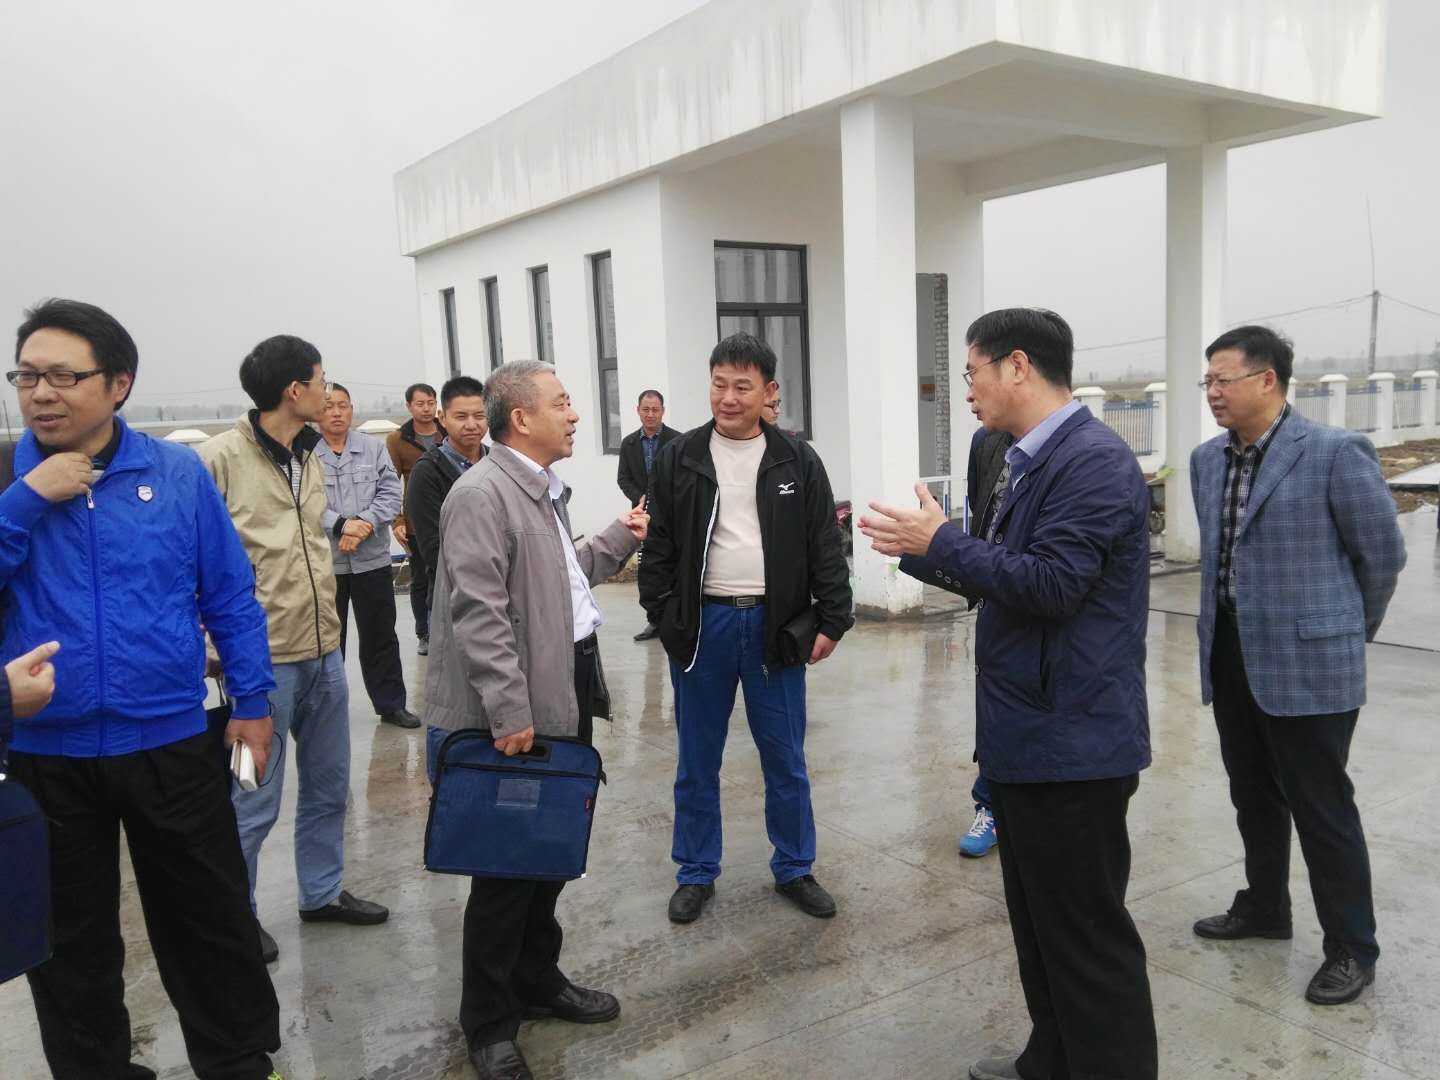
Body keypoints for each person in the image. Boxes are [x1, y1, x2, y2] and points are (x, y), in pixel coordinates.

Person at [860, 308, 1157, 1080]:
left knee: (1087, 942)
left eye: (972, 372)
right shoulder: (1019, 457)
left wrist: (943, 543)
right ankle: (1050, 1060)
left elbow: (1054, 584)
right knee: (1040, 929)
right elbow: (999, 568)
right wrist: (924, 550)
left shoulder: (1092, 461)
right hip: (1026, 734)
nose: (968, 390)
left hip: (1074, 745)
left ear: (1017, 366)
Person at [0, 299, 282, 1080]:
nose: (41, 393)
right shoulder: (8, 480)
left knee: (210, 922)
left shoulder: (176, 473)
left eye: (63, 376)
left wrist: (253, 703)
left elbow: (229, 594)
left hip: (170, 741)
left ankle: (239, 1063)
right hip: (44, 753)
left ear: (118, 383)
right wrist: (27, 498)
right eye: (26, 376)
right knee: (70, 946)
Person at [422, 360, 647, 1080]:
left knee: (546, 854)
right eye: (562, 403)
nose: (575, 414)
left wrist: (620, 536)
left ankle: (537, 979)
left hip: (562, 691)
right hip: (516, 708)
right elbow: (479, 610)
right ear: (520, 418)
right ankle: (489, 1023)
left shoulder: (542, 490)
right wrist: (508, 709)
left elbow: (560, 579)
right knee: (504, 871)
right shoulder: (480, 494)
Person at [1188, 325, 1405, 1006]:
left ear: (1268, 380)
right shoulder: (1206, 461)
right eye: (1207, 381)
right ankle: (1265, 907)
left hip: (1311, 662)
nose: (1213, 392)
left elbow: (1383, 556)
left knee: (1322, 807)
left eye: (1224, 380)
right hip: (1230, 652)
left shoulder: (1335, 453)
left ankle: (1352, 947)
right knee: (1252, 794)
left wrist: (1343, 633)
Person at [640, 332, 853, 926]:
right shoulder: (682, 456)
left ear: (768, 391)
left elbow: (825, 544)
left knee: (785, 759)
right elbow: (659, 545)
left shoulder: (796, 460)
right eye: (719, 385)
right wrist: (663, 614)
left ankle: (795, 867)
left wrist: (834, 617)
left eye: (742, 386)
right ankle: (695, 871)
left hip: (774, 628)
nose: (728, 398)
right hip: (702, 626)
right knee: (696, 761)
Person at [199, 334, 389, 967]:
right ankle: (236, 916)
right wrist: (212, 648)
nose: (328, 391)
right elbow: (187, 559)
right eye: (321, 379)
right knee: (250, 800)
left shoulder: (308, 455)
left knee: (329, 787)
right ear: (294, 389)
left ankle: (321, 892)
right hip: (259, 667)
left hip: (325, 652)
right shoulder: (217, 460)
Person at [316, 382, 418, 729]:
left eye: (343, 405)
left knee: (380, 635)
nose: (336, 413)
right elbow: (305, 503)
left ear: (352, 408)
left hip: (371, 559)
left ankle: (391, 704)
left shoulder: (373, 448)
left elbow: (390, 494)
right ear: (317, 412)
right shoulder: (305, 454)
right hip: (327, 563)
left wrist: (362, 524)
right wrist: (342, 526)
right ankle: (326, 712)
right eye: (328, 406)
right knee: (329, 640)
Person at [403, 374, 488, 777]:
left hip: (499, 599)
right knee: (456, 705)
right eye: (461, 416)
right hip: (454, 601)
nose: (471, 425)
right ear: (442, 418)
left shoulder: (495, 462)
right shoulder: (428, 472)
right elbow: (435, 551)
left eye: (479, 415)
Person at [387, 382, 445, 655]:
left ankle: (448, 629)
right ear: (409, 406)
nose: (426, 409)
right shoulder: (398, 439)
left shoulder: (447, 432)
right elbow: (390, 483)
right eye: (420, 404)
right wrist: (397, 521)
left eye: (431, 403)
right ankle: (425, 632)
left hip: (450, 516)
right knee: (422, 579)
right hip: (417, 522)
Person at [617, 389, 678, 642]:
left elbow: (683, 477)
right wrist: (641, 496)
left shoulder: (677, 441)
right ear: (638, 411)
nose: (650, 414)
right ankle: (654, 620)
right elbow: (623, 478)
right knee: (649, 569)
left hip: (672, 516)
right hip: (643, 517)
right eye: (646, 409)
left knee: (674, 565)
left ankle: (676, 618)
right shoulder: (629, 443)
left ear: (663, 411)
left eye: (655, 409)